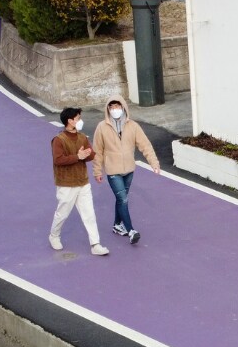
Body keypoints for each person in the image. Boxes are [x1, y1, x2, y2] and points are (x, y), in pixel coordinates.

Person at [92, 95, 160, 245]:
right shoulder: (102, 127)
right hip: (113, 171)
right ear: (108, 109)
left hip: (129, 170)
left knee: (120, 199)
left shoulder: (133, 126)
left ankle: (117, 225)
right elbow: (97, 151)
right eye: (111, 107)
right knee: (123, 199)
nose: (114, 109)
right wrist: (97, 171)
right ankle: (131, 231)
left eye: (117, 106)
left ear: (123, 108)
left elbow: (145, 145)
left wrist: (153, 163)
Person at [50, 107, 109, 256]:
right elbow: (58, 160)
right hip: (66, 184)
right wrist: (78, 156)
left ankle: (95, 244)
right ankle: (54, 235)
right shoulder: (58, 140)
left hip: (83, 182)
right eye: (78, 118)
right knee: (62, 213)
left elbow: (90, 155)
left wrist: (89, 154)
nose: (80, 120)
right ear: (70, 121)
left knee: (89, 214)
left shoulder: (83, 137)